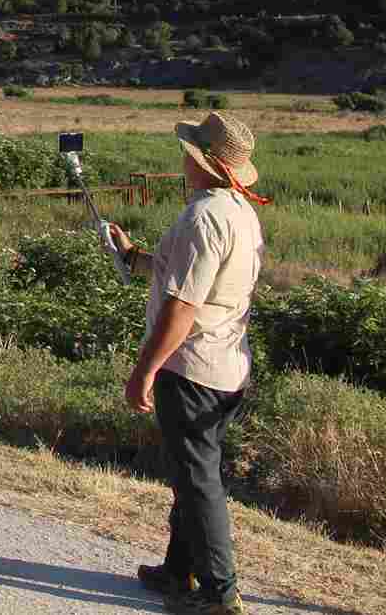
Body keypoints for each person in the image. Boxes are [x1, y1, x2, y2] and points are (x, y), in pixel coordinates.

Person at [108, 112, 268, 615]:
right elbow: (189, 276)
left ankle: (220, 594)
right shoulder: (238, 211)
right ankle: (179, 571)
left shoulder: (203, 217)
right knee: (193, 472)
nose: (183, 157)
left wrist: (145, 369)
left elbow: (183, 306)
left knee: (199, 483)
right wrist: (133, 256)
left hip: (192, 368)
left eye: (190, 151)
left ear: (203, 162)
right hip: (226, 366)